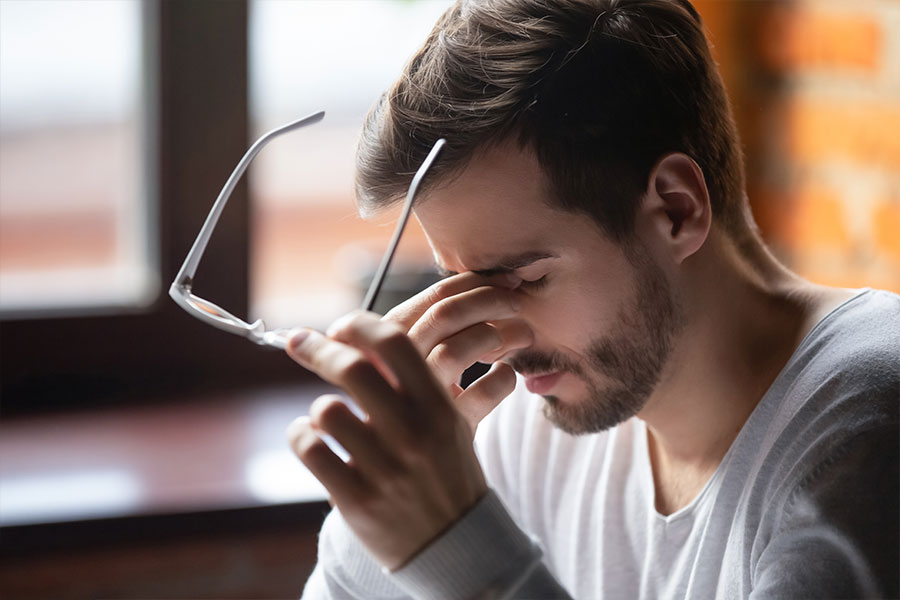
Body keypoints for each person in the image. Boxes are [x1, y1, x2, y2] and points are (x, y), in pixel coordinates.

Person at [284, 0, 900, 597]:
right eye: (462, 283)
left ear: (675, 210)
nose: (498, 343)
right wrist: (386, 503)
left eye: (525, 278)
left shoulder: (868, 430)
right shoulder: (529, 415)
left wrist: (455, 547)